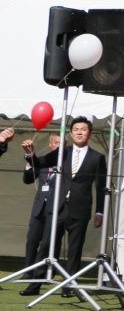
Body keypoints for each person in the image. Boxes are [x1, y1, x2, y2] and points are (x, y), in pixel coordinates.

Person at [21, 118, 107, 298]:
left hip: (80, 208)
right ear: (71, 133)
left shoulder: (97, 157)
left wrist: (100, 211)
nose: (79, 132)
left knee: (75, 249)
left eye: (83, 129)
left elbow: (101, 186)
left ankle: (69, 286)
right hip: (57, 206)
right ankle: (35, 284)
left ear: (89, 133)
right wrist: (30, 155)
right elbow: (41, 163)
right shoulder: (62, 152)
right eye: (76, 129)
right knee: (46, 245)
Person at [19, 133, 62, 295]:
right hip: (39, 206)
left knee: (48, 243)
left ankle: (44, 274)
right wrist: (30, 163)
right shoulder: (43, 162)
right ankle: (28, 273)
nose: (59, 145)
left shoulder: (66, 163)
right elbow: (28, 180)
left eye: (62, 143)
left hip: (56, 207)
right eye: (56, 142)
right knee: (32, 241)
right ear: (51, 144)